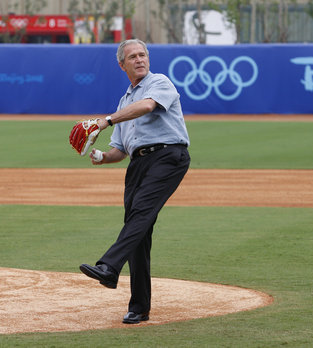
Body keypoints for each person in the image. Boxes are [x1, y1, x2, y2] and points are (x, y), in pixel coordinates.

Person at [79, 39, 191, 324]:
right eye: (133, 57)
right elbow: (122, 150)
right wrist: (103, 156)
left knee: (140, 212)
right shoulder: (123, 102)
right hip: (138, 164)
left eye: (143, 55)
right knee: (138, 230)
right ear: (122, 65)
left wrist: (106, 120)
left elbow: (148, 106)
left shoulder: (159, 82)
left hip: (168, 156)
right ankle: (139, 307)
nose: (140, 60)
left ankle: (109, 266)